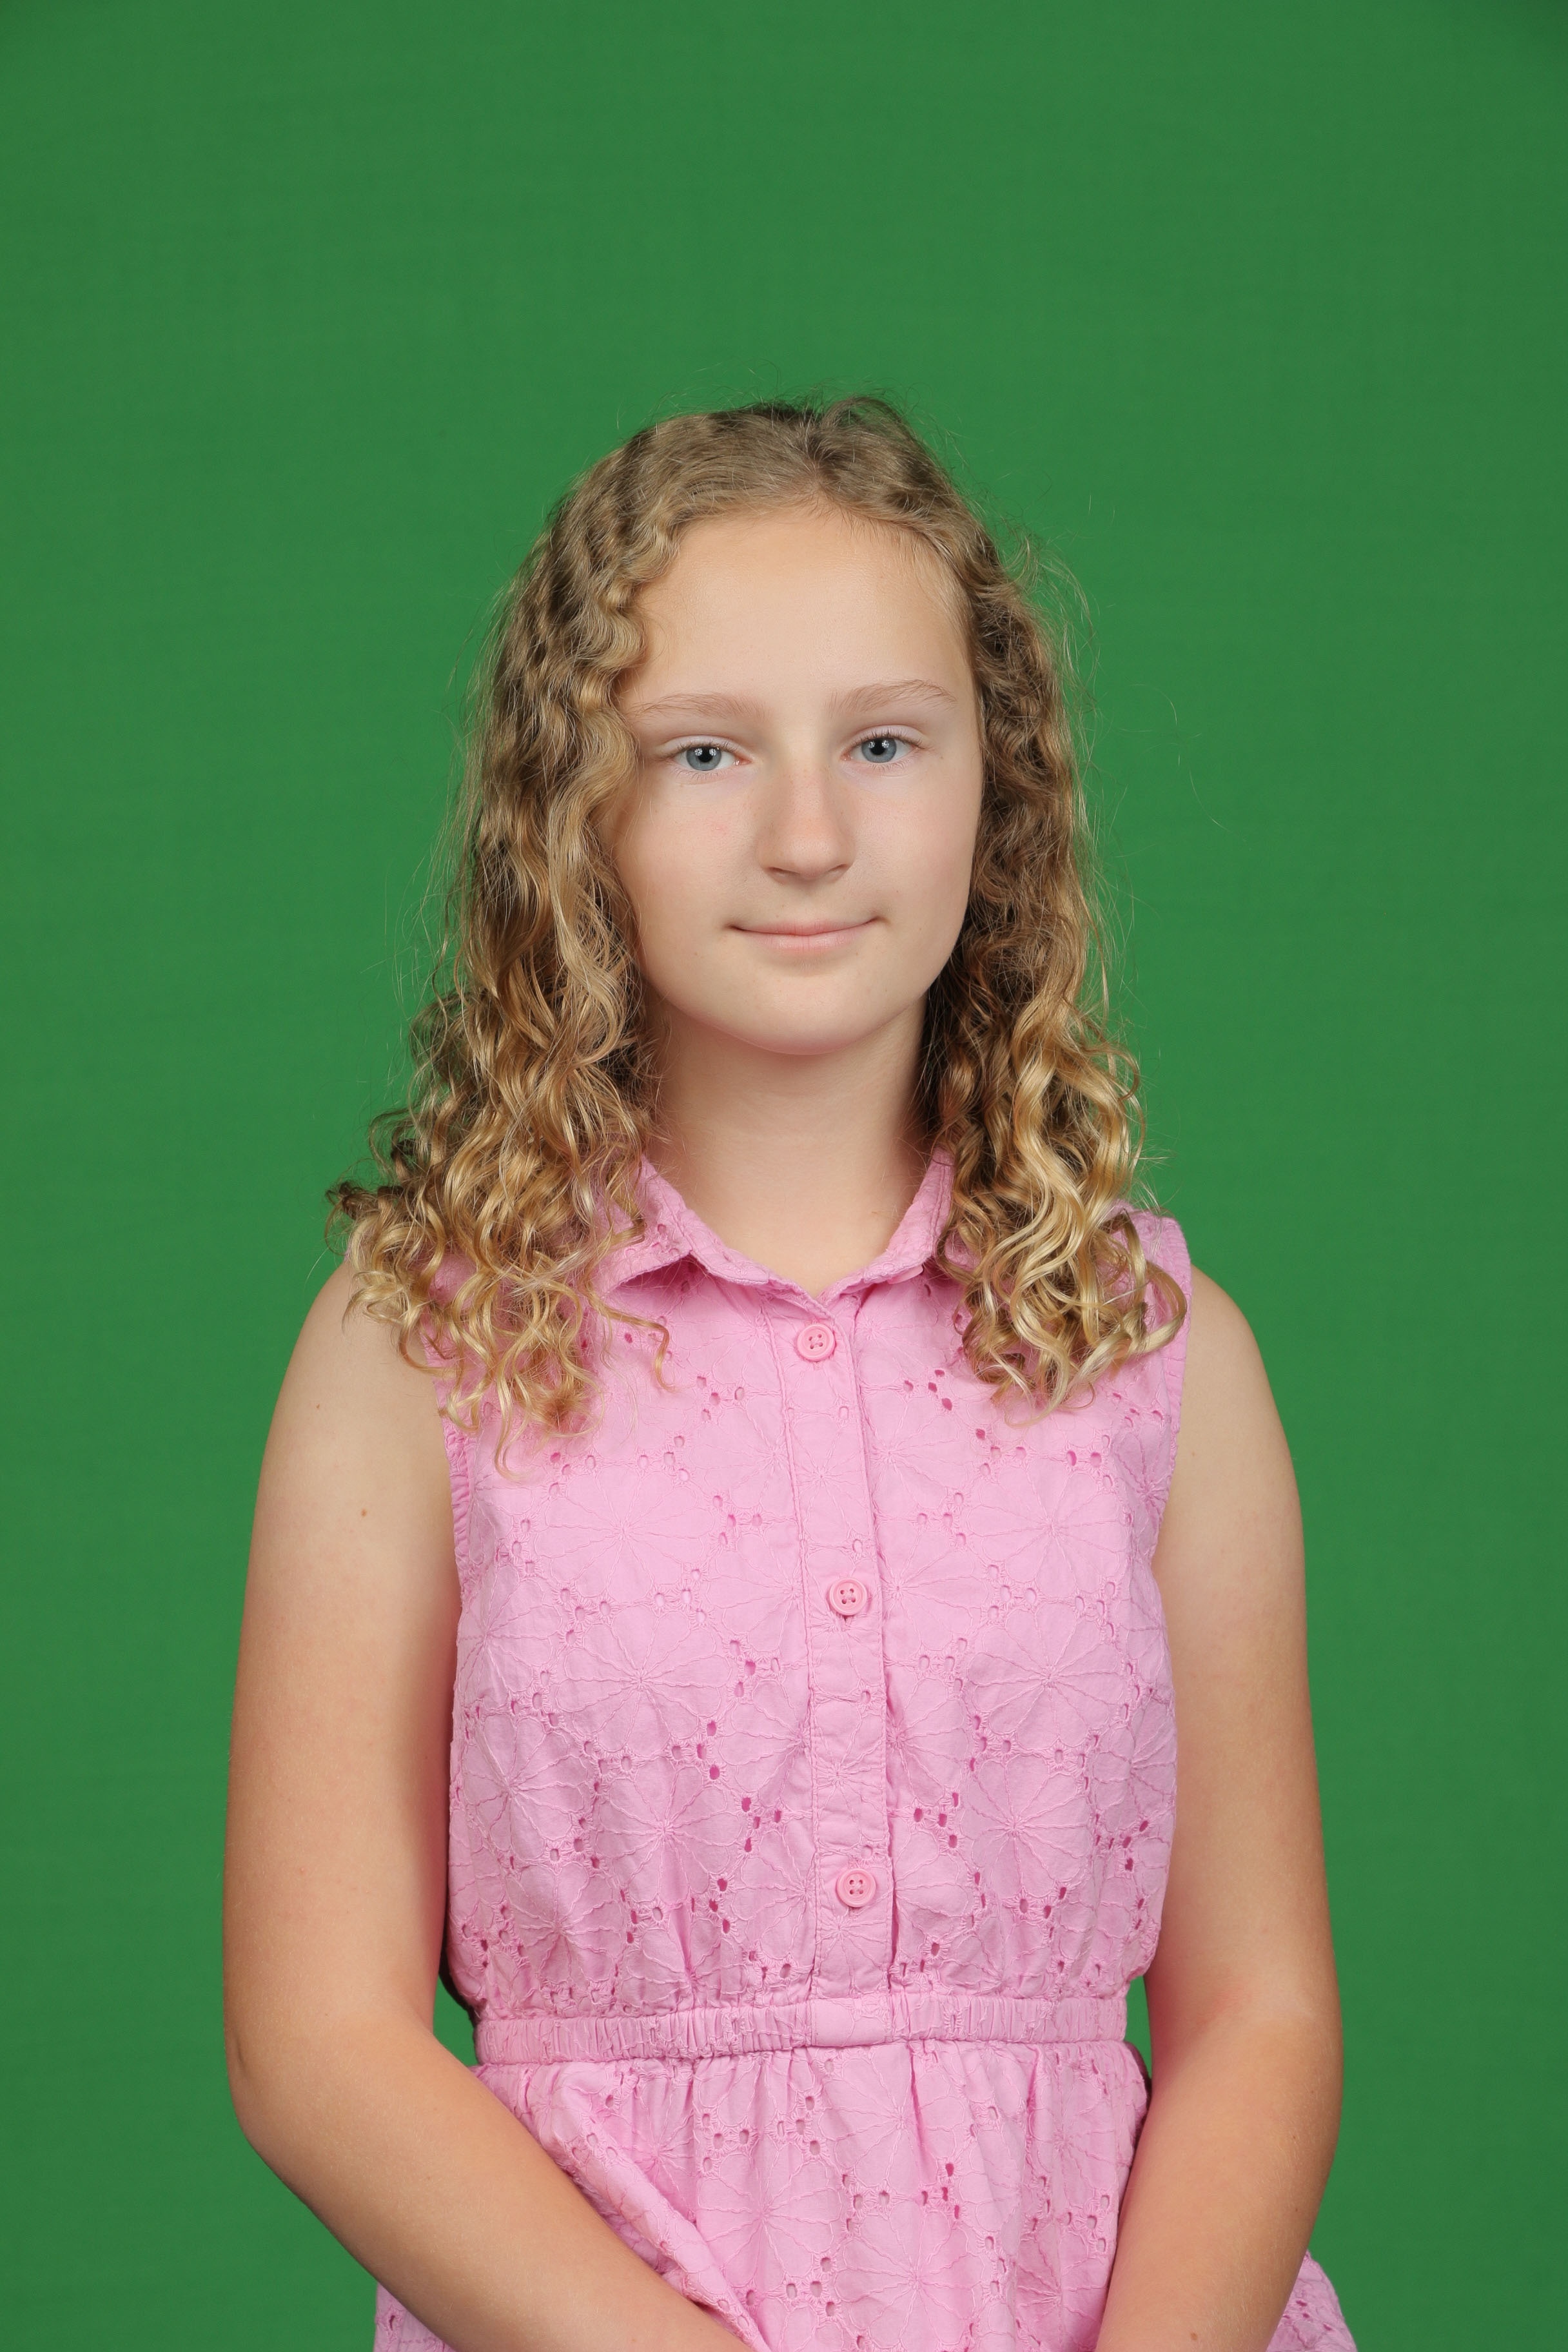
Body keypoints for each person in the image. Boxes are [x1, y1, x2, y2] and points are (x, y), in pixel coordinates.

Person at [224, 398, 1355, 2352]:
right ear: (573, 810)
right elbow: (317, 2038)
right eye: (706, 752)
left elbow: (1261, 2008)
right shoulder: (416, 1352)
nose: (809, 835)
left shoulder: (1158, 1354)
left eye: (886, 743)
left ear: (998, 793)